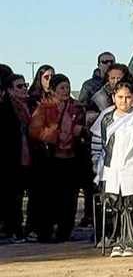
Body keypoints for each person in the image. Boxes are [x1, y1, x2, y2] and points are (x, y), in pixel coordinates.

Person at [90, 81, 133, 257]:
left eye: (128, 97)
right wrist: (96, 165)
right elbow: (98, 143)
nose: (124, 101)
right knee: (115, 206)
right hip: (112, 171)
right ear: (113, 98)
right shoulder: (106, 118)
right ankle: (117, 241)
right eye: (120, 97)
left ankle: (131, 243)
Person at [29, 74, 88, 242]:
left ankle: (65, 231)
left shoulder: (77, 108)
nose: (66, 91)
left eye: (68, 87)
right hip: (52, 160)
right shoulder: (44, 108)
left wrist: (81, 130)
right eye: (62, 88)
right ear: (53, 91)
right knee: (50, 198)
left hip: (72, 158)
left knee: (70, 198)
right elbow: (35, 131)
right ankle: (45, 232)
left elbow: (86, 130)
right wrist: (55, 130)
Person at [0, 70, 31, 242]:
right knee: (11, 196)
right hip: (9, 157)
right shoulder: (5, 108)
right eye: (19, 86)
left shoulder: (28, 106)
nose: (24, 89)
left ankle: (17, 227)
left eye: (25, 85)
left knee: (18, 195)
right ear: (10, 90)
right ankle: (14, 229)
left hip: (25, 156)